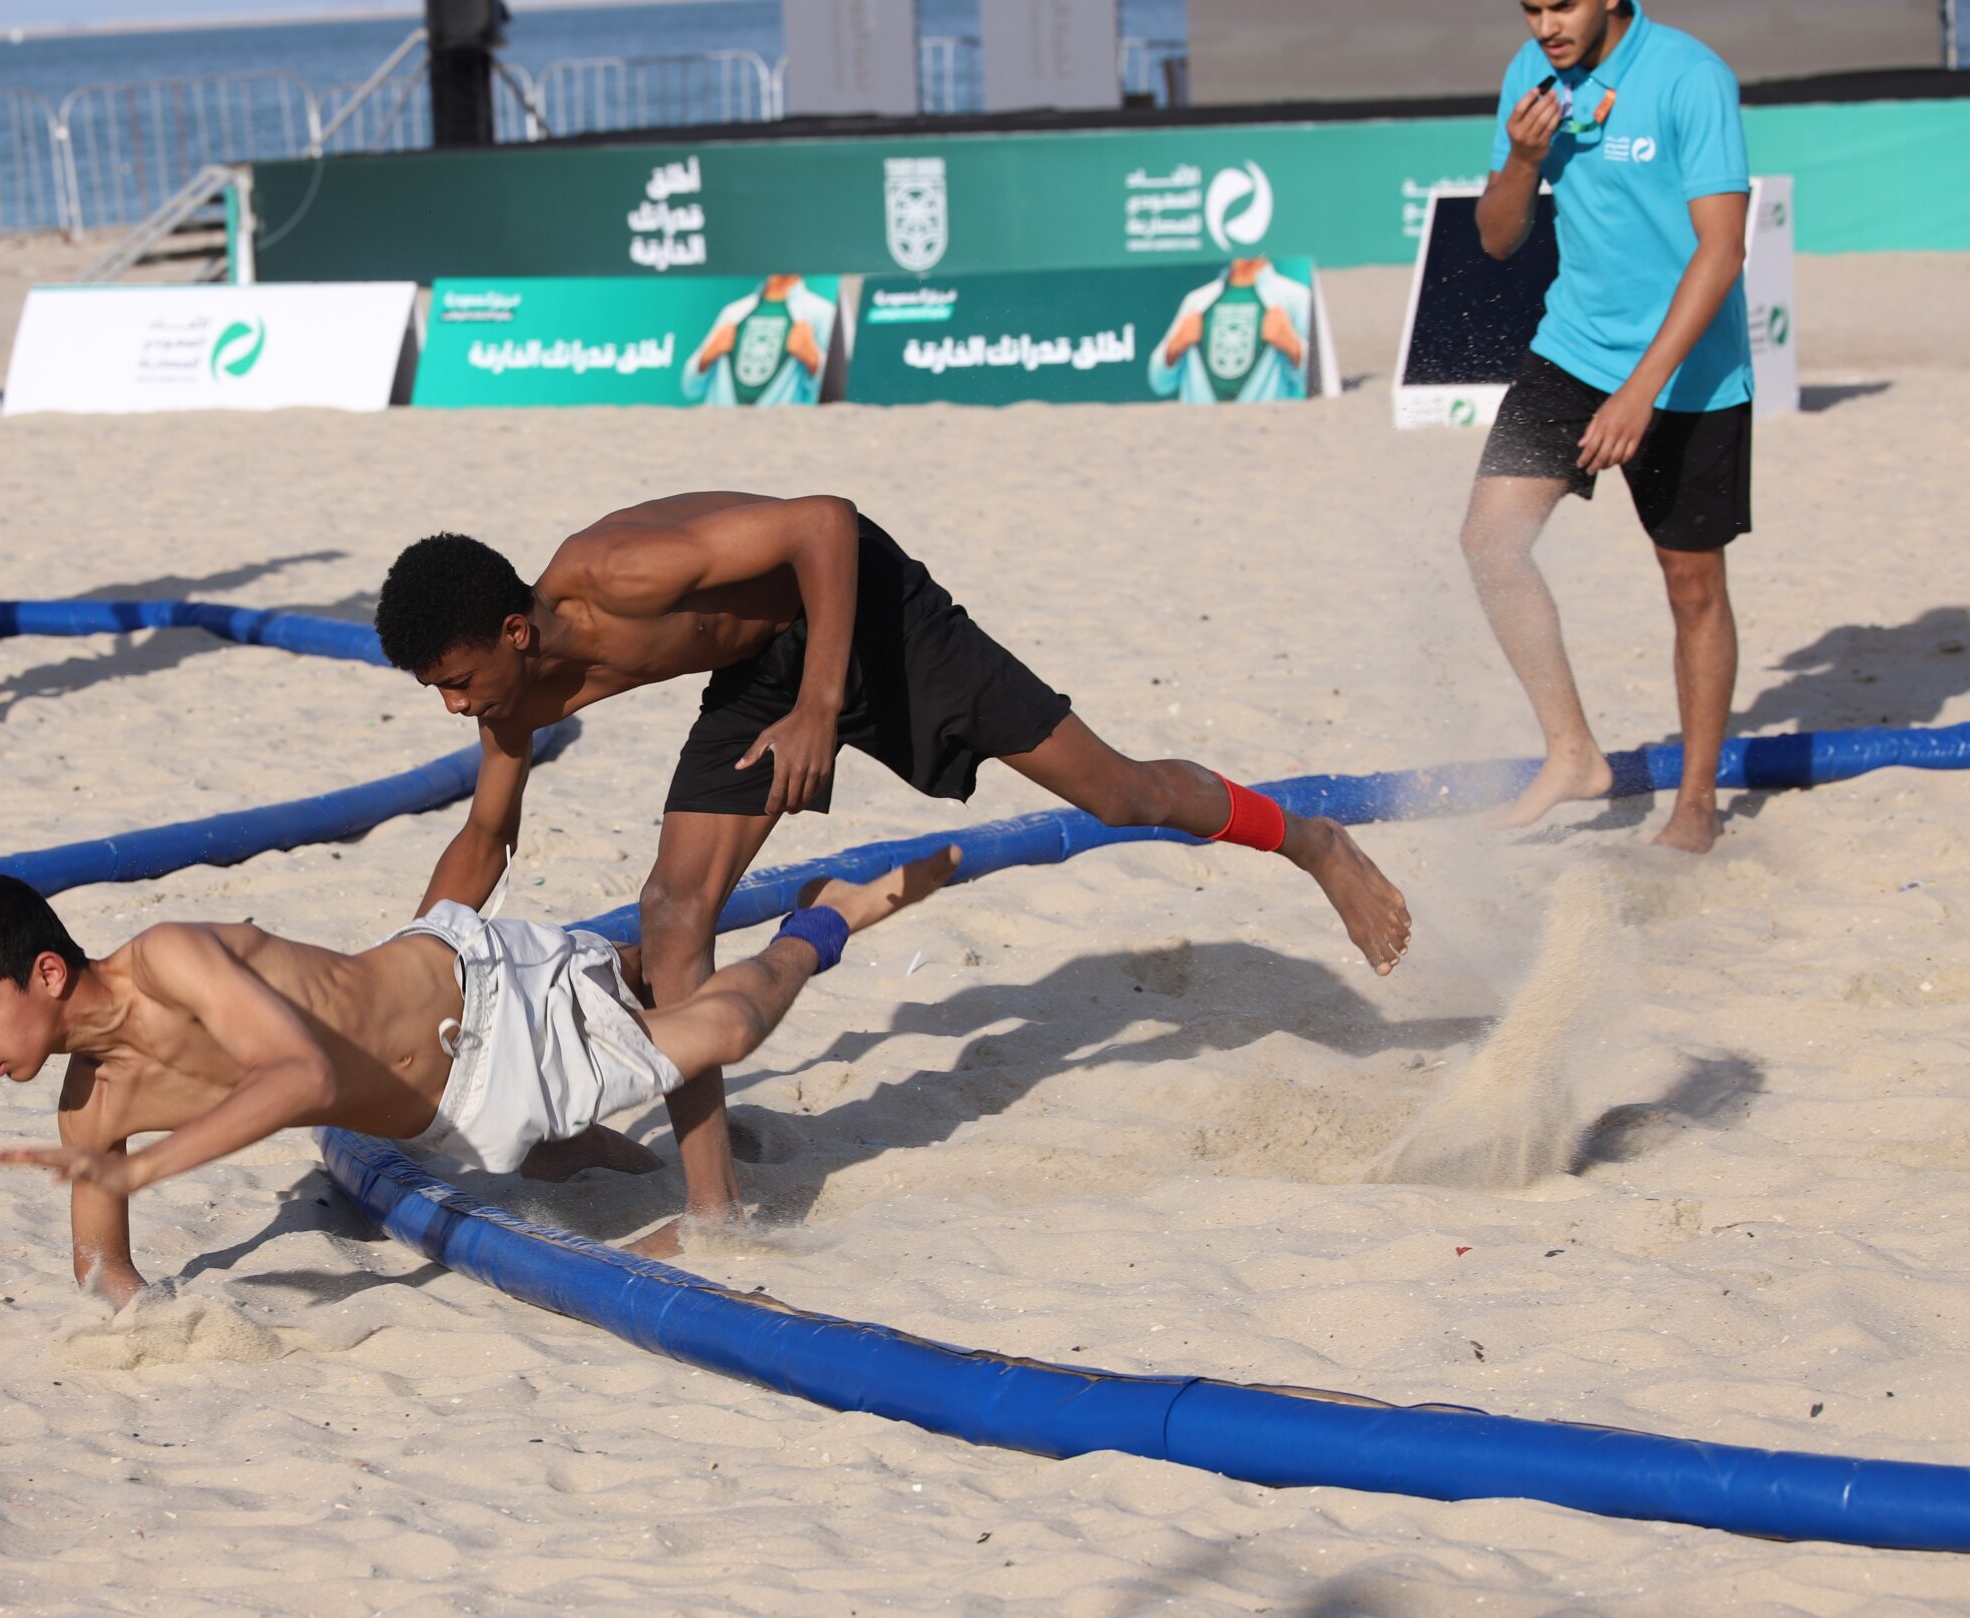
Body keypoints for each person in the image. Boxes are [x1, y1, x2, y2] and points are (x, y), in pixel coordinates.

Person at [375, 494, 1414, 1231]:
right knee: (673, 911)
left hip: (865, 612)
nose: (456, 706)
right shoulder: (513, 704)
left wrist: (819, 703)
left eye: (459, 681)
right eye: (440, 692)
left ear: (515, 630)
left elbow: (825, 522)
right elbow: (485, 838)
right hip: (759, 671)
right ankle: (715, 1211)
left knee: (1119, 795)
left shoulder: (615, 572)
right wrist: (408, 965)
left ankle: (1310, 839)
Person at [0, 850, 959, 1296]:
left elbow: (301, 1073)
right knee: (559, 1143)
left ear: (48, 972)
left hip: (477, 997)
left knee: (724, 1031)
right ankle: (635, 991)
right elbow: (107, 1279)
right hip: (452, 1116)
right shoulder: (91, 1110)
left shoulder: (170, 957)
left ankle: (822, 921)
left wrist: (148, 1168)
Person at [1461, 0, 1753, 852]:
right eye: (1531, 7)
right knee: (1489, 543)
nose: (1545, 26)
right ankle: (1573, 754)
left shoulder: (1691, 76)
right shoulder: (1531, 73)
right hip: (1574, 349)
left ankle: (1695, 804)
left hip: (1690, 369)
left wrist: (1639, 393)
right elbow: (1496, 239)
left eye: (1563, 5)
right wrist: (1523, 159)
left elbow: (1723, 250)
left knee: (1691, 585)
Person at [1148, 256, 1312, 404]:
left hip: (1267, 424)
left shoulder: (1296, 297)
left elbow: (1316, 383)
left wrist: (1293, 346)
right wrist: (1175, 346)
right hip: (1201, 425)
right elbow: (1159, 382)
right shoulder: (1197, 300)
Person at [681, 275, 835, 407]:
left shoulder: (821, 312)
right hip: (723, 427)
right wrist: (708, 354)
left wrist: (813, 359)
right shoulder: (733, 312)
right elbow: (689, 386)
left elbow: (833, 396)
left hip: (779, 429)